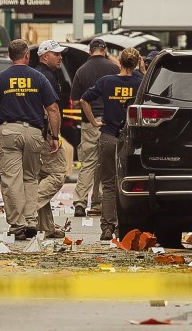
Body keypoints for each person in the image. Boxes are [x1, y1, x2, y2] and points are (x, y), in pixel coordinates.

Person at [0, 39, 60, 240]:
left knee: (11, 180)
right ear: (27, 56)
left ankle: (17, 224)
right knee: (31, 178)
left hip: (9, 132)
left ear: (9, 56)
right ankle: (31, 220)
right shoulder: (39, 78)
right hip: (33, 132)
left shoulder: (0, 78)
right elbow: (53, 109)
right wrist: (55, 136)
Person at [80, 47, 142, 241]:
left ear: (120, 62)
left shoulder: (107, 82)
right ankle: (125, 227)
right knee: (131, 184)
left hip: (108, 136)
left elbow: (84, 100)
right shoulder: (140, 82)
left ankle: (107, 227)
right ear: (136, 63)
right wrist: (144, 70)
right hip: (131, 139)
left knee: (108, 184)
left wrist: (93, 122)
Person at [69, 37, 120, 218]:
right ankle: (99, 202)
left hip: (89, 122)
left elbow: (75, 101)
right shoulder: (114, 69)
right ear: (104, 50)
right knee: (107, 163)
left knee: (89, 162)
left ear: (90, 51)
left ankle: (80, 203)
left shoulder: (81, 71)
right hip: (109, 122)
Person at [33, 40, 69, 238]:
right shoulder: (46, 76)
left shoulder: (36, 73)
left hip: (34, 132)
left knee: (42, 177)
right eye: (56, 54)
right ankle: (28, 212)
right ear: (45, 55)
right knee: (57, 174)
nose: (60, 57)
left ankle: (45, 226)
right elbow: (51, 109)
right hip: (46, 132)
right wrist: (55, 135)